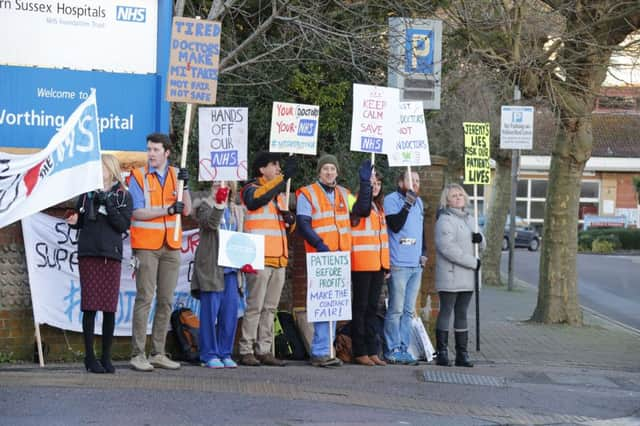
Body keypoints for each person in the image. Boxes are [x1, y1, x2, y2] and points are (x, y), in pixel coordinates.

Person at [296, 154, 371, 367]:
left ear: (337, 172)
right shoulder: (308, 193)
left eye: (332, 169)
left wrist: (365, 184)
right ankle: (320, 351)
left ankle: (327, 350)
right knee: (322, 304)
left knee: (334, 306)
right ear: (319, 172)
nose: (329, 172)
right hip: (321, 257)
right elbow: (303, 223)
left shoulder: (344, 193)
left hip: (340, 258)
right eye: (325, 168)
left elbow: (361, 210)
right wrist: (320, 245)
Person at [128, 133, 192, 372]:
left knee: (166, 300)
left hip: (171, 245)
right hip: (146, 245)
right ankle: (137, 354)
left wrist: (185, 186)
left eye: (155, 150)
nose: (151, 154)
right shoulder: (138, 176)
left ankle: (158, 352)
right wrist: (166, 210)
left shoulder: (177, 175)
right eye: (149, 149)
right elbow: (137, 212)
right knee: (145, 298)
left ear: (167, 153)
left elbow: (186, 210)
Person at [66, 154, 133, 374]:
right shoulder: (87, 194)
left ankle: (106, 357)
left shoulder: (123, 195)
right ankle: (89, 357)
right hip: (89, 254)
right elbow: (82, 220)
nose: (98, 170)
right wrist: (74, 221)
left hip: (110, 255)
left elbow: (122, 225)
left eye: (102, 167)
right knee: (90, 306)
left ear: (111, 169)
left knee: (109, 308)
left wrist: (109, 205)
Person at [238, 152, 296, 367]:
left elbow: (283, 228)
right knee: (255, 306)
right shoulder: (250, 189)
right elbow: (256, 201)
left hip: (278, 258)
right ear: (261, 170)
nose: (279, 169)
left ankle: (264, 349)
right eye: (275, 165)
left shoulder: (279, 195)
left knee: (270, 308)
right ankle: (246, 349)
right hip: (259, 257)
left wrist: (291, 221)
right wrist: (283, 180)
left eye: (280, 166)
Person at [191, 181, 244, 369]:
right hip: (212, 266)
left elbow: (241, 235)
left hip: (231, 268)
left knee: (229, 313)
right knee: (210, 312)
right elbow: (211, 224)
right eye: (215, 184)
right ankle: (208, 354)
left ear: (230, 187)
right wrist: (219, 203)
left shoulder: (237, 209)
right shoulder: (203, 205)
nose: (218, 187)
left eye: (222, 185)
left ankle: (225, 352)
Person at [434, 183, 484, 367]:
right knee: (447, 310)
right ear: (447, 200)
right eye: (454, 195)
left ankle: (462, 353)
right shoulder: (445, 220)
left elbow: (480, 246)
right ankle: (442, 352)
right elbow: (448, 248)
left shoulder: (471, 219)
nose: (458, 198)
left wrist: (481, 239)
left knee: (462, 313)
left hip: (468, 276)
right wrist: (472, 262)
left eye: (460, 194)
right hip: (451, 274)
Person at [383, 170, 426, 365]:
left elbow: (421, 230)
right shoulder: (391, 200)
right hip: (399, 263)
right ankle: (392, 349)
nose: (415, 183)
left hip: (416, 265)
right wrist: (407, 204)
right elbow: (395, 225)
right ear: (401, 181)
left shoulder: (419, 202)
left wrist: (423, 251)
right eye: (411, 179)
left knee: (409, 311)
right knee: (396, 309)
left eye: (417, 180)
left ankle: (403, 347)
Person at [349, 170, 389, 366]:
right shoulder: (357, 202)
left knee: (373, 308)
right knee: (361, 307)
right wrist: (365, 184)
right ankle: (360, 350)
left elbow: (381, 239)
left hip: (377, 264)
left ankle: (372, 350)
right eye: (372, 183)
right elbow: (361, 211)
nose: (375, 187)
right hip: (362, 262)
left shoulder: (379, 208)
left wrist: (386, 265)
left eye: (378, 184)